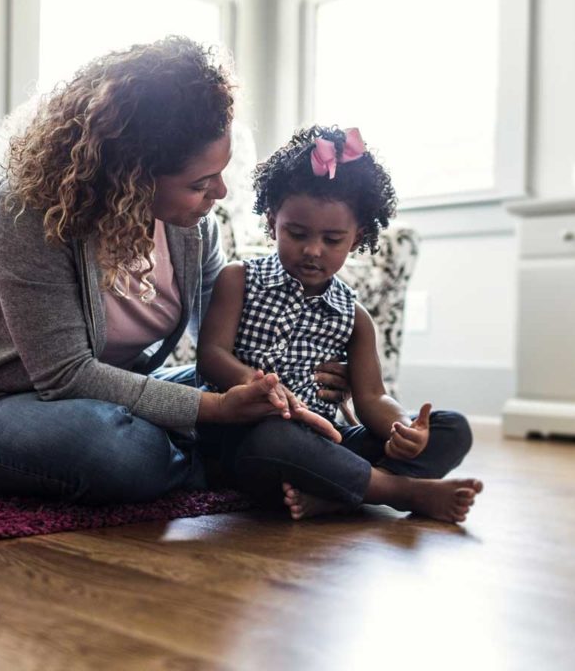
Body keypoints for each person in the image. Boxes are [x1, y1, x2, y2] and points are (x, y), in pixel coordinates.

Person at [0, 36, 340, 505]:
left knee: (259, 402)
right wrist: (217, 410)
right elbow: (67, 377)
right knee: (111, 448)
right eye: (199, 183)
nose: (219, 193)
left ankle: (210, 456)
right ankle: (227, 462)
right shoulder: (28, 213)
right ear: (133, 174)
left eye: (220, 173)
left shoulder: (194, 228)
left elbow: (229, 342)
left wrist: (292, 377)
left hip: (116, 397)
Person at [197, 125, 482, 522]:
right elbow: (209, 356)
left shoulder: (355, 316)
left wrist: (403, 428)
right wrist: (262, 389)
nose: (313, 250)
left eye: (332, 240)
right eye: (296, 234)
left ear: (356, 237)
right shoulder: (238, 280)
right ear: (272, 219)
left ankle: (339, 493)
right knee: (277, 438)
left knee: (452, 428)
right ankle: (400, 491)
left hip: (326, 442)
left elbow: (372, 398)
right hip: (250, 439)